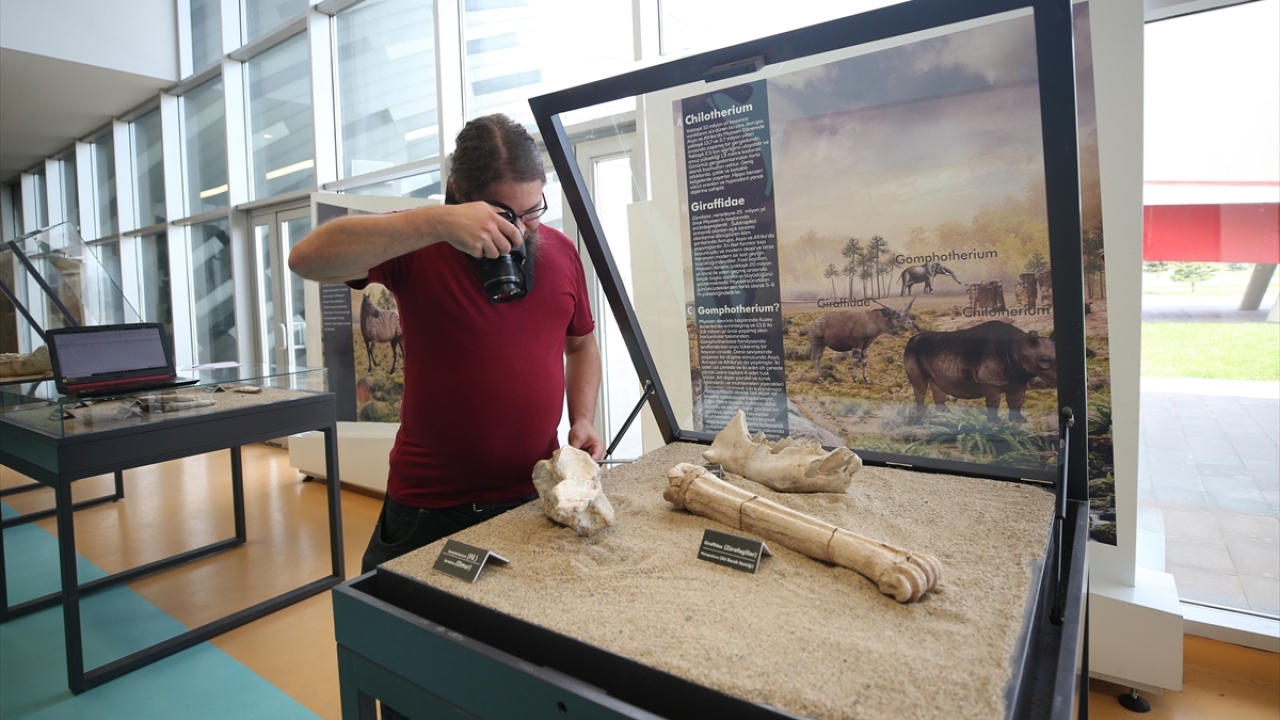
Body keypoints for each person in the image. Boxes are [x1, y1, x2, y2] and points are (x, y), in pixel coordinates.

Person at [289, 113, 605, 576]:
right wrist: (439, 220)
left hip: (531, 495)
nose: (524, 230)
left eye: (534, 209)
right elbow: (306, 258)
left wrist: (582, 419)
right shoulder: (419, 244)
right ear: (461, 196)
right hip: (429, 506)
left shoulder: (559, 250)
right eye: (505, 215)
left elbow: (580, 346)